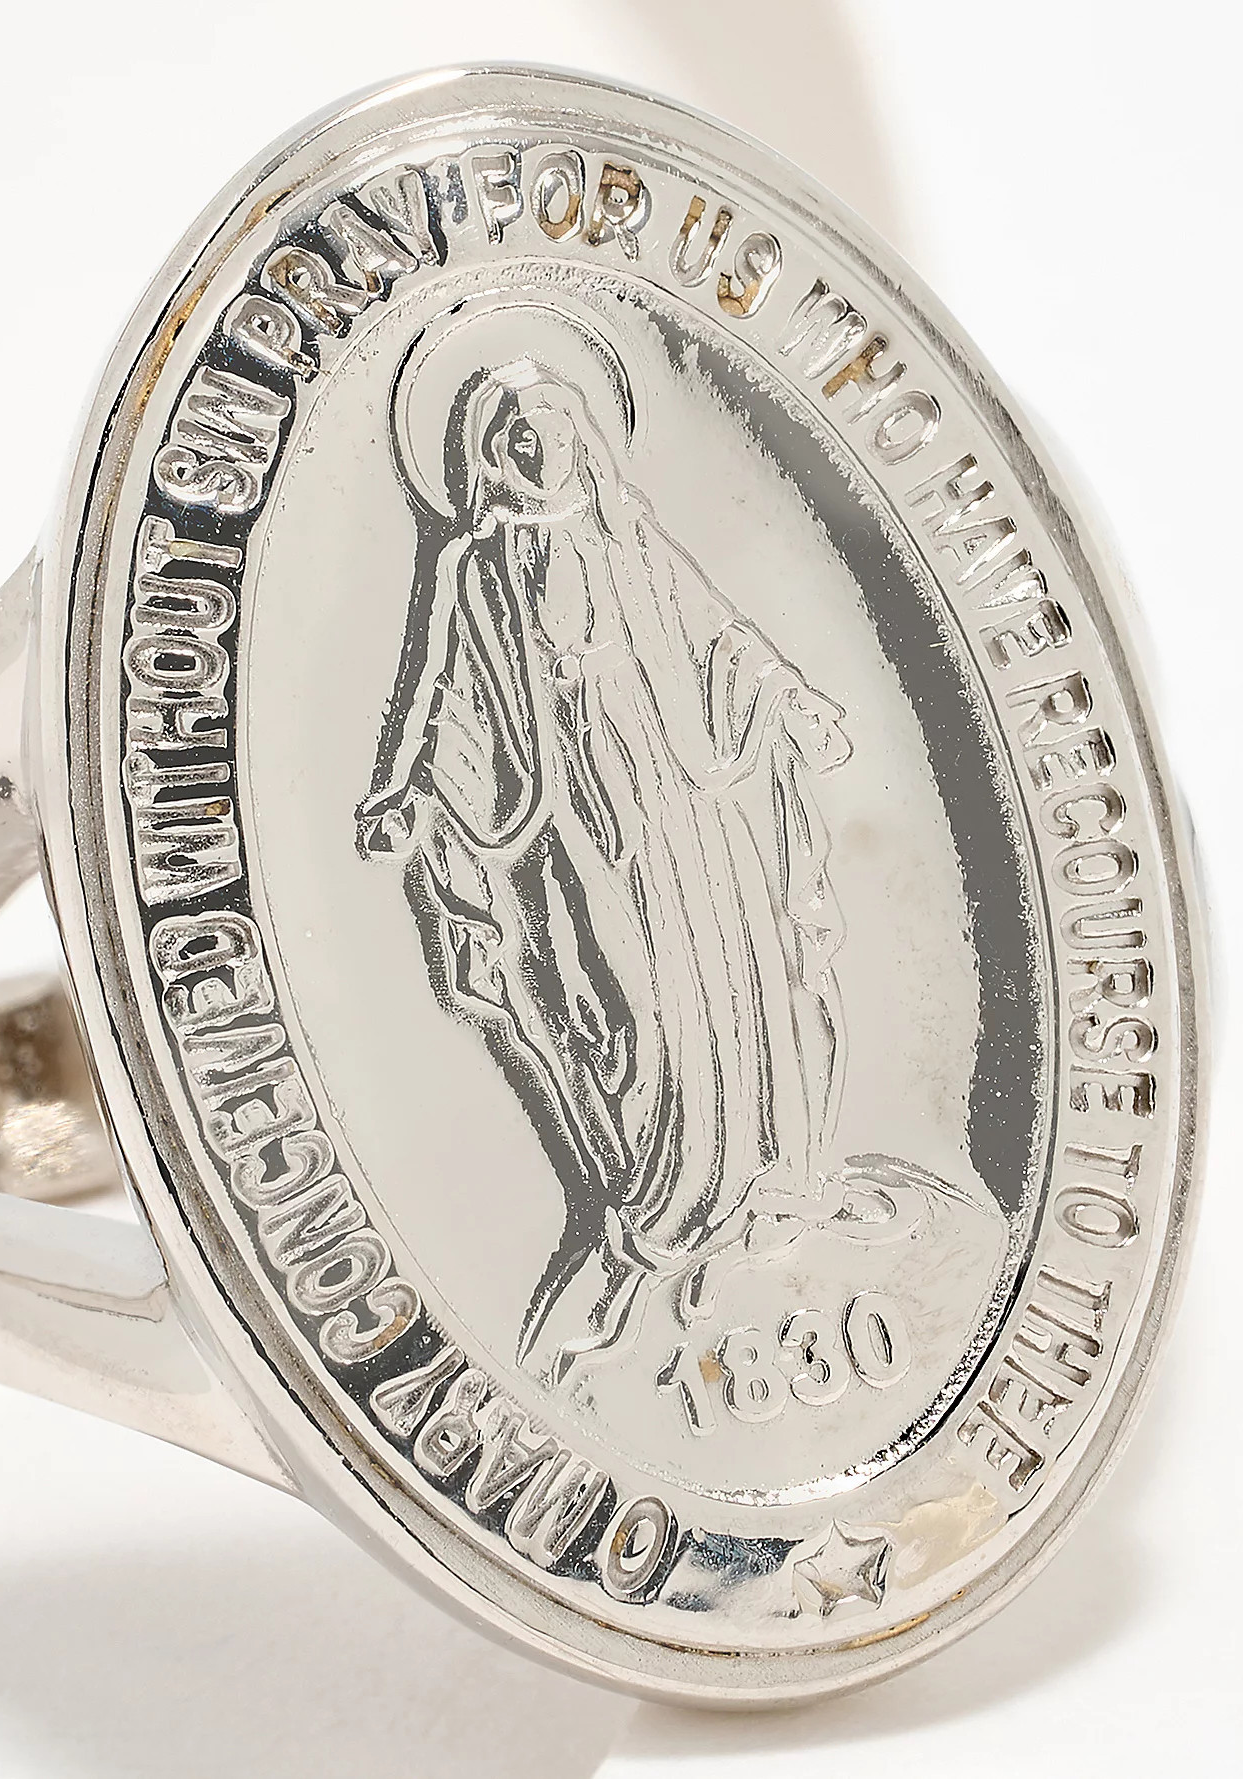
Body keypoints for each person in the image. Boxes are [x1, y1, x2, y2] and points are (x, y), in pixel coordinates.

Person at [357, 341, 855, 1383]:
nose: (538, 451)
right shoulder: (474, 565)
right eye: (516, 437)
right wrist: (406, 792)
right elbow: (436, 689)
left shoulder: (629, 534)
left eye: (551, 429)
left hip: (676, 799)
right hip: (565, 813)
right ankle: (662, 1201)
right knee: (620, 1002)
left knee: (715, 980)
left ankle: (753, 1181)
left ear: (583, 436)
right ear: (492, 455)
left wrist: (791, 700)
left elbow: (720, 637)